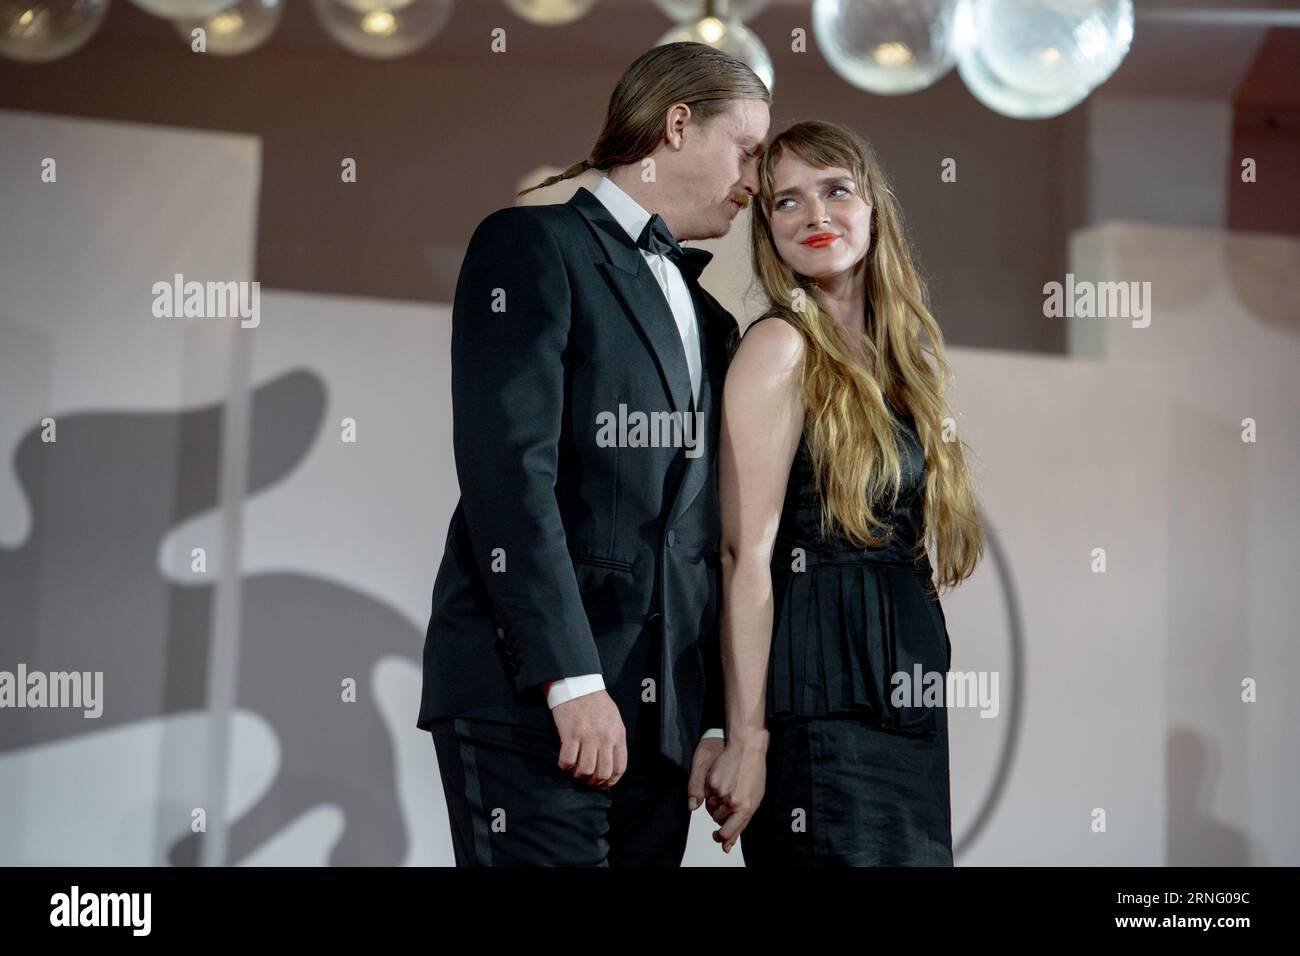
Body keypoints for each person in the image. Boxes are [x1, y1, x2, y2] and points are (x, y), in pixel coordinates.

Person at [416, 42, 770, 866]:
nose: (754, 180)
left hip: (662, 730)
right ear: (678, 125)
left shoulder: (714, 323)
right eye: (746, 150)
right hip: (533, 698)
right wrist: (571, 682)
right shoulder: (531, 245)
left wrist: (710, 719)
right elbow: (509, 476)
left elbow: (704, 533)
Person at [704, 120, 984, 866]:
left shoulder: (905, 362)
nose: (816, 217)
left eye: (835, 191)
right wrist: (746, 739)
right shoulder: (780, 347)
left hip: (905, 702)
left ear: (874, 208)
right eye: (787, 202)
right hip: (820, 707)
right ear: (767, 228)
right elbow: (744, 556)